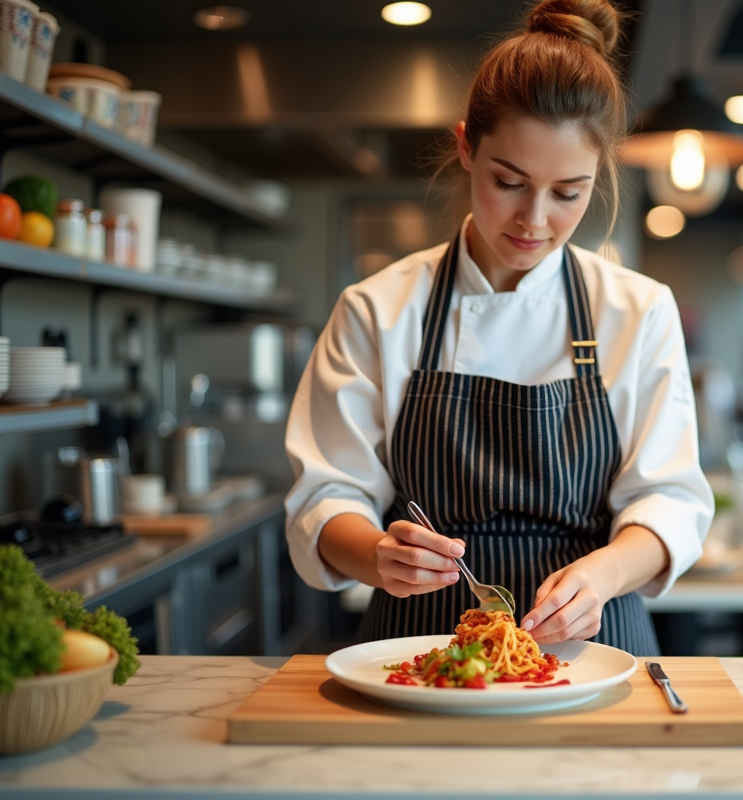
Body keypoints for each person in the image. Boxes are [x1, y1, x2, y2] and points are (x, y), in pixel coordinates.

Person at [284, 0, 712, 656]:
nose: (533, 219)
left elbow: (670, 501)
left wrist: (602, 575)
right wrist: (376, 554)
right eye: (509, 182)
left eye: (568, 193)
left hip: (593, 651)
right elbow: (326, 494)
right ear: (465, 147)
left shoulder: (637, 310)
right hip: (420, 649)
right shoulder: (377, 309)